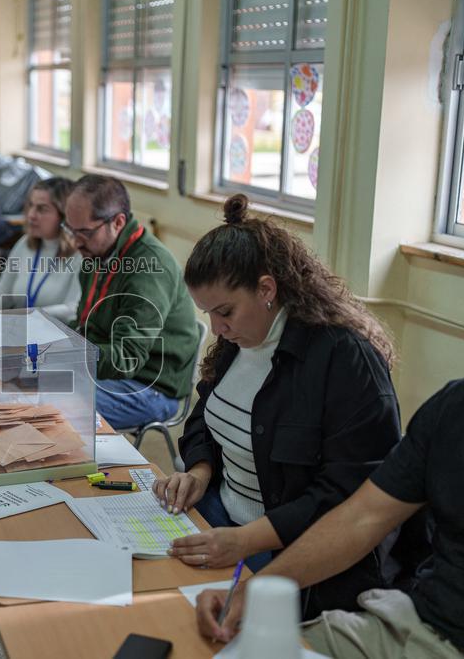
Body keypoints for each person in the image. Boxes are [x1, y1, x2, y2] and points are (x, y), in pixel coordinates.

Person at [196, 296, 464, 659]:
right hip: (414, 623)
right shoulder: (459, 406)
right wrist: (252, 593)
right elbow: (360, 518)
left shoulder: (344, 356)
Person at [159, 194, 401, 618]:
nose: (216, 328)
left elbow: (349, 497)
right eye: (208, 314)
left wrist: (247, 540)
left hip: (291, 551)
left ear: (267, 289)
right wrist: (199, 470)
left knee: (197, 620)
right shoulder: (241, 337)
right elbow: (204, 418)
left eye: (224, 311)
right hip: (223, 516)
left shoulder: (344, 359)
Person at [64, 174, 199, 429]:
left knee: (53, 405)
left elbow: (126, 358)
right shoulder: (98, 254)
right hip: (110, 374)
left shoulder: (150, 269)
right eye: (70, 229)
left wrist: (65, 356)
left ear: (118, 222)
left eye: (84, 232)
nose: (75, 241)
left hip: (150, 386)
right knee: (30, 384)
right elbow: (87, 325)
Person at [0, 177, 82, 321]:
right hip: (19, 328)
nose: (31, 215)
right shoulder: (25, 244)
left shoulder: (81, 254)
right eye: (31, 206)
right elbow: (1, 293)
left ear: (65, 216)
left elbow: (73, 310)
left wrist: (27, 315)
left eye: (42, 209)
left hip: (54, 333)